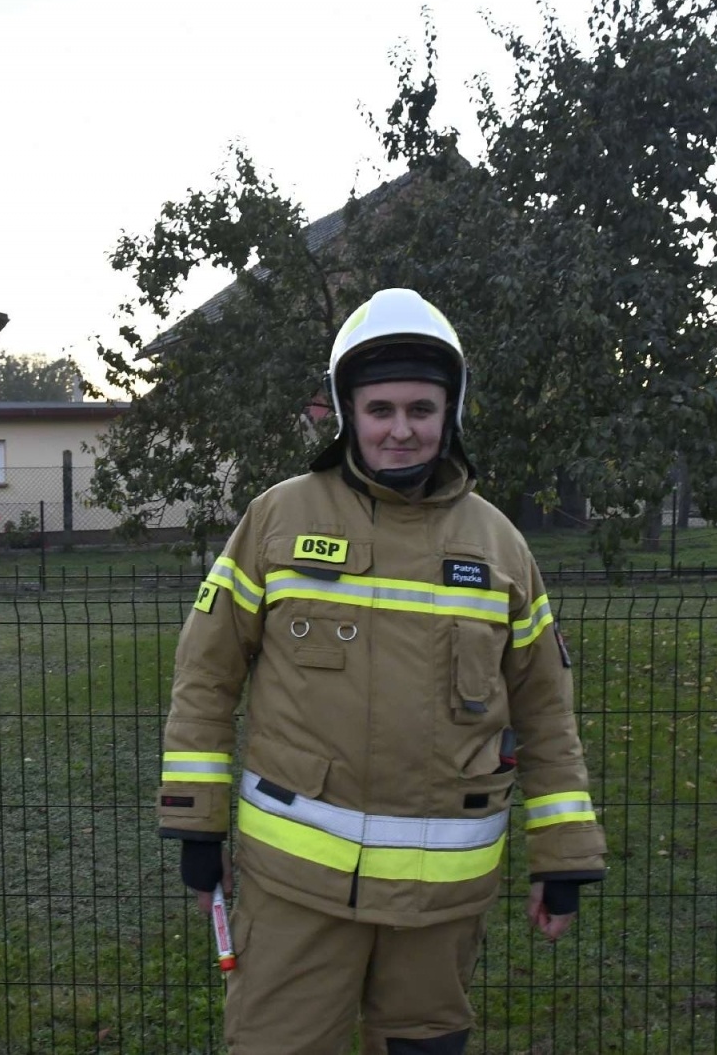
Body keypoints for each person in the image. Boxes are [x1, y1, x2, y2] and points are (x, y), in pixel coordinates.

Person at [155, 287, 607, 1054]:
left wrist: (561, 855)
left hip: (440, 902)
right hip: (294, 889)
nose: (402, 430)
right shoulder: (276, 520)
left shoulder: (500, 547)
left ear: (450, 413)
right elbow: (206, 675)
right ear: (346, 412)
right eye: (382, 409)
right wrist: (196, 825)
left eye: (421, 410)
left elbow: (544, 712)